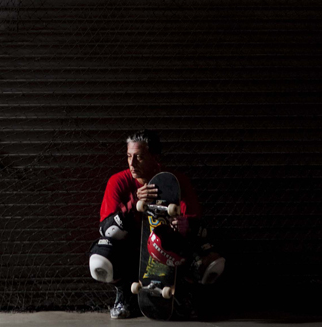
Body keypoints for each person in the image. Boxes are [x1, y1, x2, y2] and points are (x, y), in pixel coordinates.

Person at [89, 130, 225, 319]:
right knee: (100, 258)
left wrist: (185, 225)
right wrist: (133, 205)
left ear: (155, 157)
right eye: (129, 156)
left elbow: (198, 226)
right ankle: (125, 297)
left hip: (167, 252)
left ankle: (183, 295)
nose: (132, 163)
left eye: (139, 157)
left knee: (211, 262)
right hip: (132, 250)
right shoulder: (118, 181)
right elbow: (106, 229)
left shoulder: (175, 182)